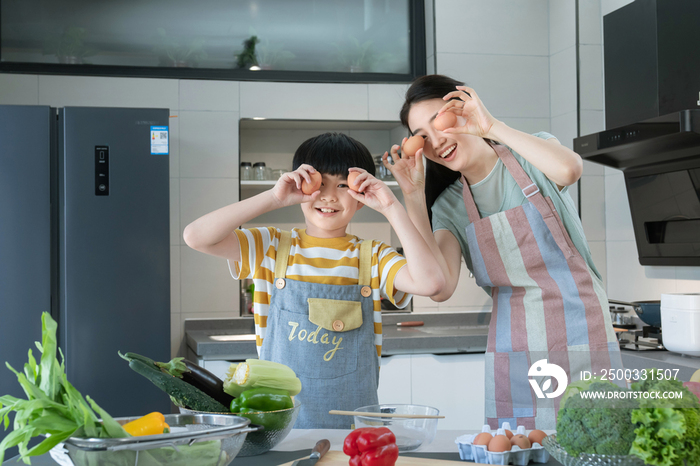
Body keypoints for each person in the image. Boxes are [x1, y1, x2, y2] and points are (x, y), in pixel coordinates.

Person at [383, 75, 623, 430]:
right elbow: (439, 286)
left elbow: (569, 169)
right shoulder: (449, 207)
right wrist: (413, 195)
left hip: (583, 334)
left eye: (439, 121)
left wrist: (490, 125)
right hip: (516, 350)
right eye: (422, 136)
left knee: (599, 441)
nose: (436, 141)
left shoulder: (531, 154)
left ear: (463, 107)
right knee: (518, 450)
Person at [183, 132, 444, 428]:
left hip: (354, 431)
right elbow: (195, 236)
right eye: (321, 183)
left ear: (361, 196)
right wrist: (273, 197)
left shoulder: (373, 257)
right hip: (277, 428)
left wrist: (390, 207)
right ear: (301, 184)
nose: (329, 196)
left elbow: (431, 283)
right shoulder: (270, 246)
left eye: (344, 185)